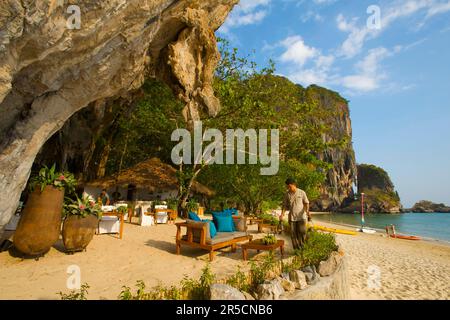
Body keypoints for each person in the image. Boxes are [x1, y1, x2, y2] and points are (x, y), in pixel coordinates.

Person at [280, 177, 311, 249]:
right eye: (287, 186)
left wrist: (307, 212)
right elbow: (284, 205)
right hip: (292, 218)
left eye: (289, 186)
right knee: (293, 234)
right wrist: (282, 214)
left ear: (294, 185)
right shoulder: (287, 194)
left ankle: (303, 247)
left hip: (301, 217)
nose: (288, 188)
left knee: (302, 232)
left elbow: (306, 203)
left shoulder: (302, 192)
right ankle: (296, 249)